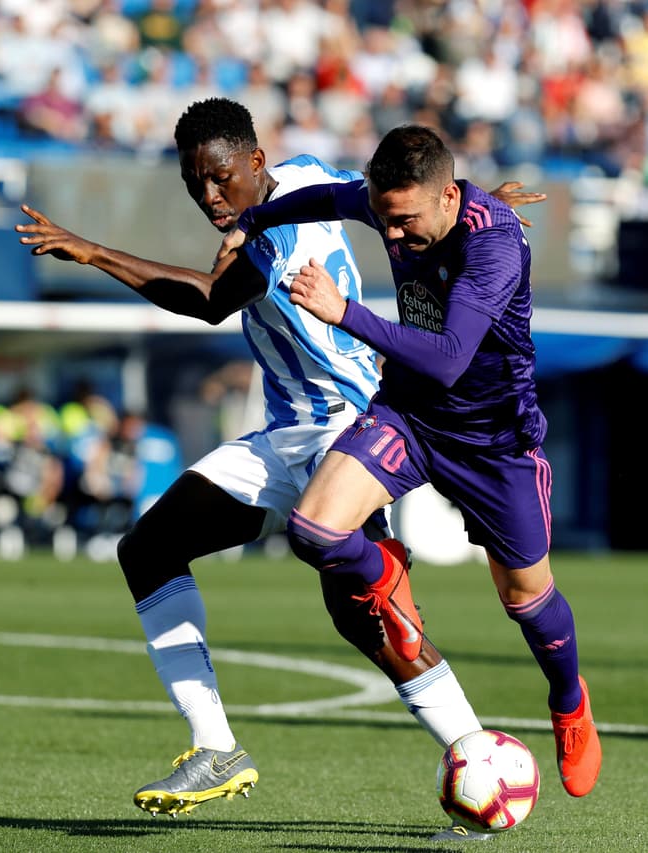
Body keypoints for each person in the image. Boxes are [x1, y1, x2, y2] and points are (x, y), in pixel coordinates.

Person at [15, 98, 543, 825]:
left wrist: (93, 251)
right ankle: (216, 746)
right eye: (195, 182)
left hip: (343, 430)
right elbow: (390, 190)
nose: (210, 195)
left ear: (255, 162)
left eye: (221, 177)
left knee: (369, 624)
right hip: (285, 434)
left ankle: (474, 750)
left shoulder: (275, 238)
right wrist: (479, 209)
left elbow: (210, 300)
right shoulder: (308, 176)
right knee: (149, 548)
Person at [219, 124, 602, 799]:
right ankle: (384, 569)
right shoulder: (395, 202)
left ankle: (569, 702)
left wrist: (344, 311)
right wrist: (252, 220)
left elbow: (450, 358)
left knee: (525, 597)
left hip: (493, 441)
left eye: (403, 222)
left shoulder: (494, 244)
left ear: (449, 197)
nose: (391, 235)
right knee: (313, 530)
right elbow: (328, 200)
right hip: (410, 417)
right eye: (384, 219)